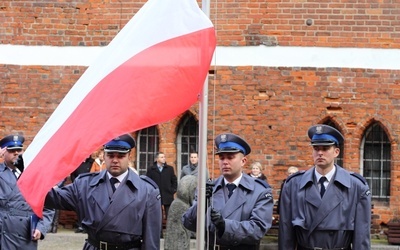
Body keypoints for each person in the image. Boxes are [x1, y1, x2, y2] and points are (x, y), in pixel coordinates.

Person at [44, 134, 162, 250]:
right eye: (110, 155)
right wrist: (29, 179)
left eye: (120, 156)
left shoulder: (147, 191)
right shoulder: (85, 185)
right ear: (104, 156)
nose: (115, 160)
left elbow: (151, 239)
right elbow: (53, 197)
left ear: (129, 156)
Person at [278, 124, 371, 249]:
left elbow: (362, 235)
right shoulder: (293, 185)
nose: (320, 153)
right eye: (316, 148)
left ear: (336, 152)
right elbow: (285, 233)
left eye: (325, 148)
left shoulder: (355, 186)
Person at [182, 133, 274, 249]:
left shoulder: (259, 191)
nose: (225, 162)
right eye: (221, 158)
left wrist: (225, 225)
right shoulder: (209, 188)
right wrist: (201, 205)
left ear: (243, 161)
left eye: (230, 157)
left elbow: (258, 229)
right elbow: (188, 223)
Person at [0, 134, 54, 250]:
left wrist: (41, 228)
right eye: (11, 150)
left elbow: (48, 206)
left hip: (25, 235)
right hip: (3, 234)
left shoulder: (34, 174)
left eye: (19, 150)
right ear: (3, 152)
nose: (16, 153)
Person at [146, 152, 177, 236]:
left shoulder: (169, 169)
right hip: (155, 195)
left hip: (167, 194)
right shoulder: (151, 169)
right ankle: (159, 233)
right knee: (157, 215)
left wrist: (172, 190)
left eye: (164, 157)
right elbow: (147, 181)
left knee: (169, 215)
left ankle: (170, 233)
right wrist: (151, 192)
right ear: (157, 159)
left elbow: (174, 180)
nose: (164, 158)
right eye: (162, 157)